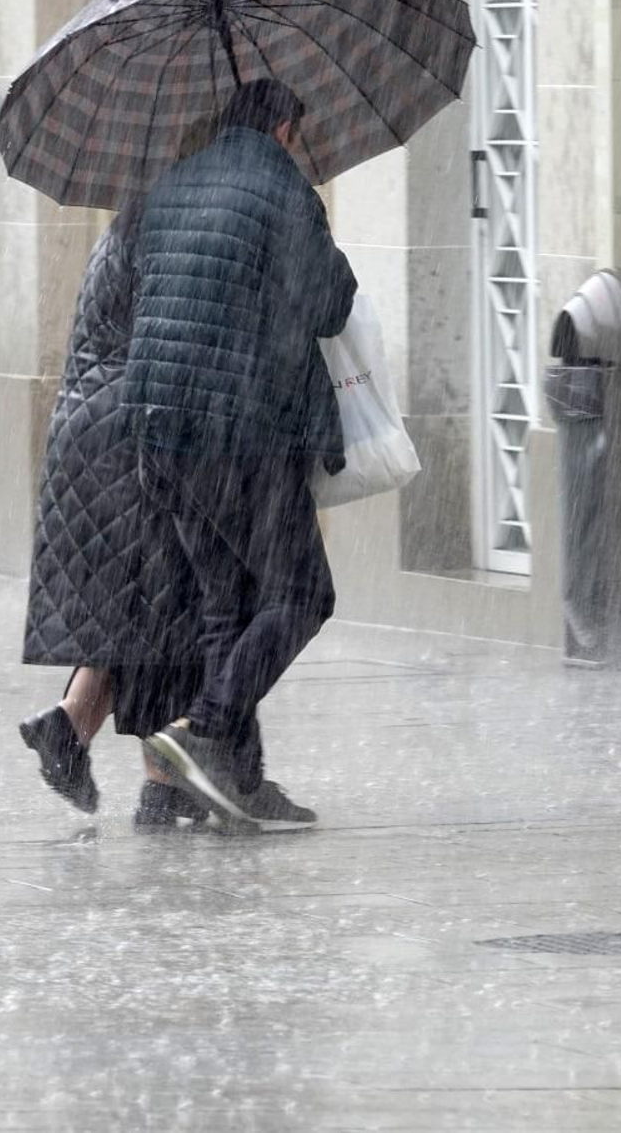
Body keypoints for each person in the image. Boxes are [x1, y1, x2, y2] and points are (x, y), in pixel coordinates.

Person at [17, 112, 315, 831]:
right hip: (136, 425)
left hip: (91, 428)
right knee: (191, 603)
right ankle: (181, 778)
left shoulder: (140, 214)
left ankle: (79, 728)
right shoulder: (178, 219)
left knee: (149, 605)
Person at [124, 79, 357, 826]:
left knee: (227, 601)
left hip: (160, 425)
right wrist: (329, 257)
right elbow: (327, 304)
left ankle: (239, 783)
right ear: (285, 129)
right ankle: (205, 729)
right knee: (302, 595)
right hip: (240, 429)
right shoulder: (283, 189)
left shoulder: (172, 184)